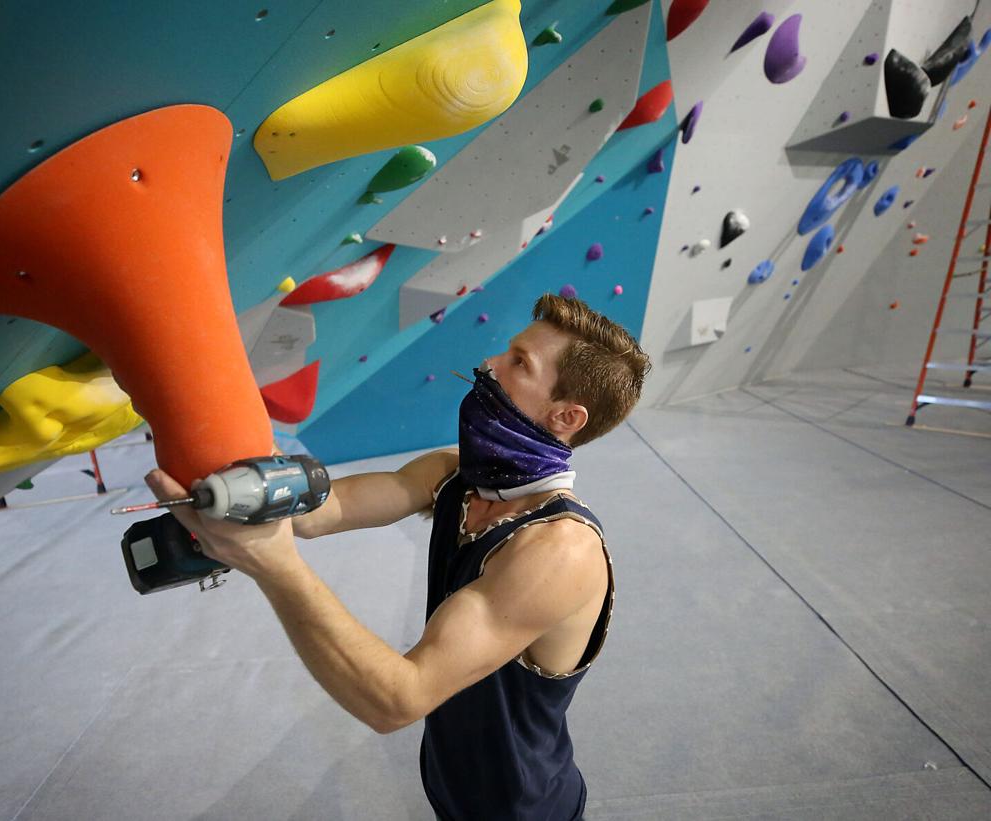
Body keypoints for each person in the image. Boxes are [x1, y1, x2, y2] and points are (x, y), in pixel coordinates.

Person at [145, 293, 651, 820]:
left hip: (521, 808)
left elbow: (398, 700)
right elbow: (330, 508)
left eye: (519, 363)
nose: (488, 365)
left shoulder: (558, 552)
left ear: (565, 416)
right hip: (453, 781)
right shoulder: (454, 474)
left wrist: (272, 564)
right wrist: (248, 484)